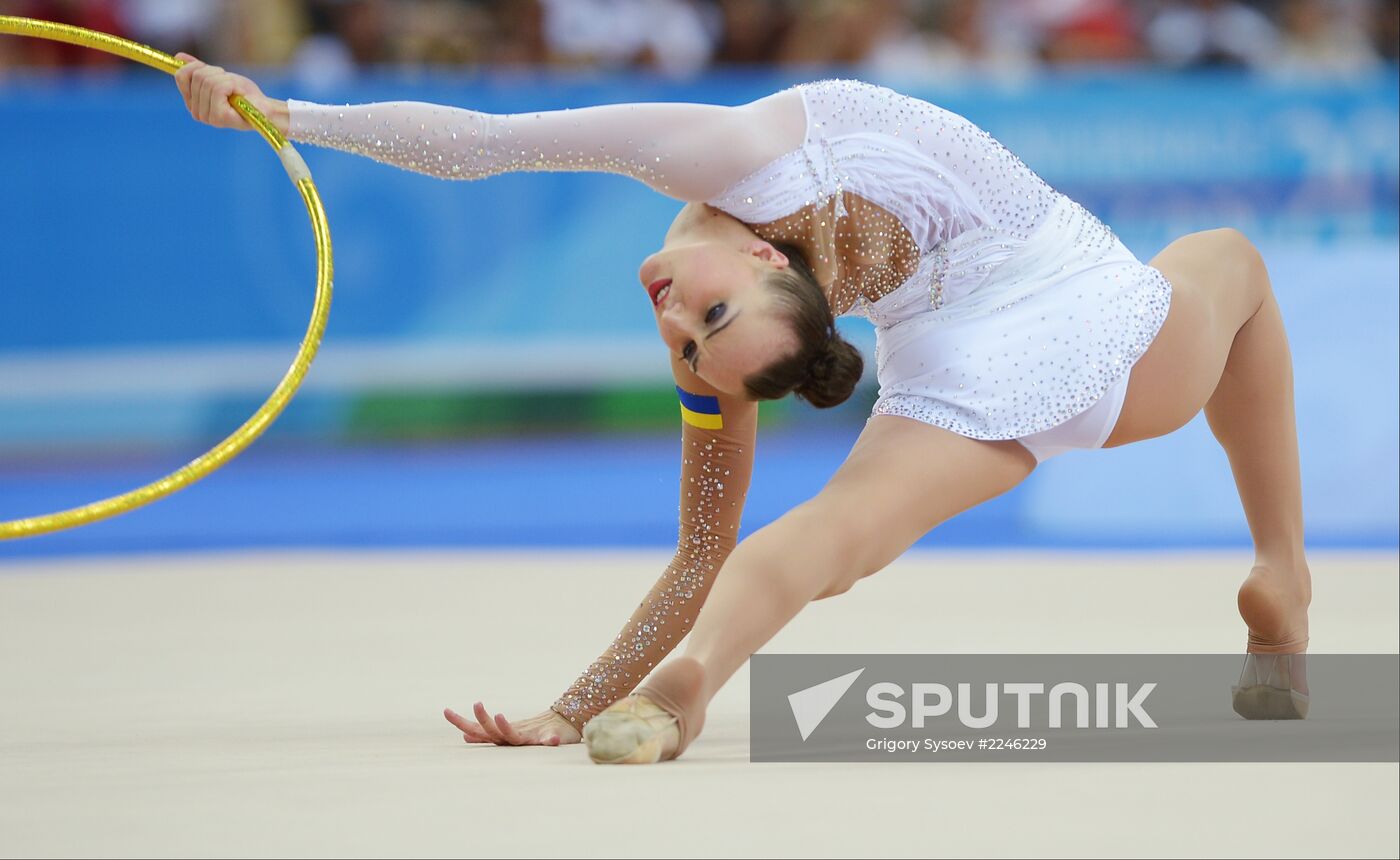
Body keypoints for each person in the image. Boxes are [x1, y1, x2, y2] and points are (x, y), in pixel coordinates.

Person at [173, 55, 1313, 763]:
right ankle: (1281, 565)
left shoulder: (731, 161)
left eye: (696, 330)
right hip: (1101, 342)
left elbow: (484, 146)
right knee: (1227, 262)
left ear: (775, 251)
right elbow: (699, 544)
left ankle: (698, 686)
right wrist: (574, 709)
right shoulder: (734, 225)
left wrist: (288, 113)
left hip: (1000, 321)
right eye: (697, 337)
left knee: (839, 534)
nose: (674, 321)